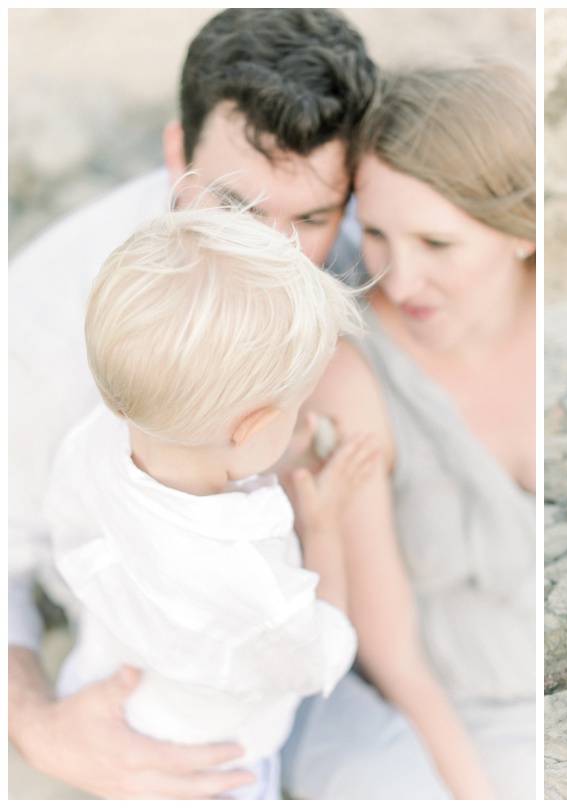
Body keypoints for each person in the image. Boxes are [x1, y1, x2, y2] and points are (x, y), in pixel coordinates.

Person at [8, 9, 381, 799]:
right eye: (238, 212)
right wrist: (34, 723)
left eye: (312, 217)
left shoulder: (357, 249)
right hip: (186, 736)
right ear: (177, 149)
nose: (280, 256)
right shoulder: (41, 318)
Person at [45, 205, 373, 799]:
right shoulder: (252, 585)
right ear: (249, 430)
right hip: (211, 772)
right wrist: (322, 524)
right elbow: (321, 652)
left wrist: (267, 454)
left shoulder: (96, 437)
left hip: (101, 688)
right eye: (294, 409)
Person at [280, 63, 536, 800]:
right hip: (449, 719)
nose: (397, 279)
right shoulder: (351, 369)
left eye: (437, 243)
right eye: (378, 233)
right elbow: (393, 658)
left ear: (520, 232)